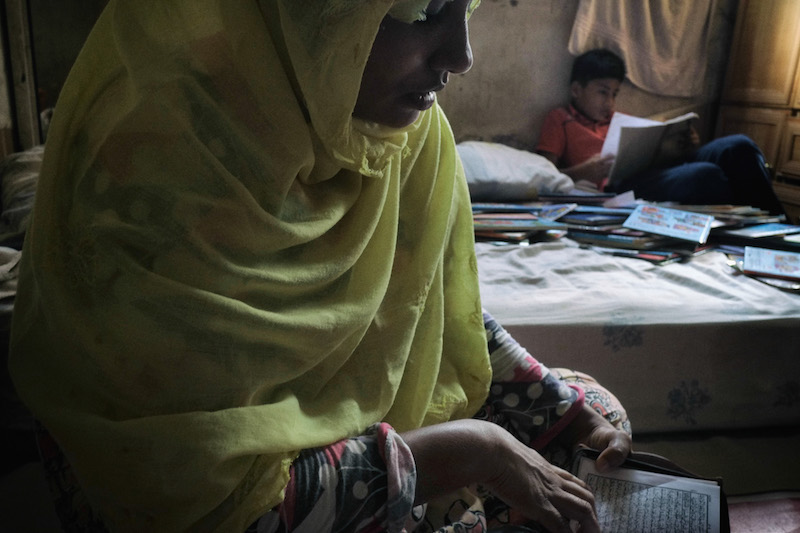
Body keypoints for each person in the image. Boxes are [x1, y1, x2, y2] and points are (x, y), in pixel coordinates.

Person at [9, 2, 632, 532]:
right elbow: (205, 506)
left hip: (338, 431)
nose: (460, 56)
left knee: (594, 427)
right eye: (418, 11)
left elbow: (426, 305)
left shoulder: (403, 136)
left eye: (464, 9)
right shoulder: (160, 160)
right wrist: (472, 452)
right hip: (200, 498)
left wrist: (564, 413)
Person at [535, 48, 786, 215]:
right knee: (704, 175)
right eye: (602, 92)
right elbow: (544, 177)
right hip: (620, 187)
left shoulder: (621, 120)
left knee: (738, 145)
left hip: (655, 170)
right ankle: (746, 230)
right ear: (577, 90)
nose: (609, 102)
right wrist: (582, 172)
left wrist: (684, 144)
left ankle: (781, 229)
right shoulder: (560, 119)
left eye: (614, 94)